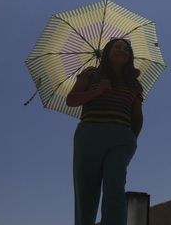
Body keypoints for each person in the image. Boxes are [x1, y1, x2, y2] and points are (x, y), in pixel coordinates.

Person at [66, 37, 144, 225]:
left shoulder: (134, 83)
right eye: (117, 47)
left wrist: (131, 139)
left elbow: (137, 115)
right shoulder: (91, 73)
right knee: (86, 192)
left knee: (115, 188)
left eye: (126, 49)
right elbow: (72, 100)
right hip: (89, 136)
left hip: (121, 140)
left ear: (130, 56)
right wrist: (96, 91)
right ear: (107, 51)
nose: (122, 50)